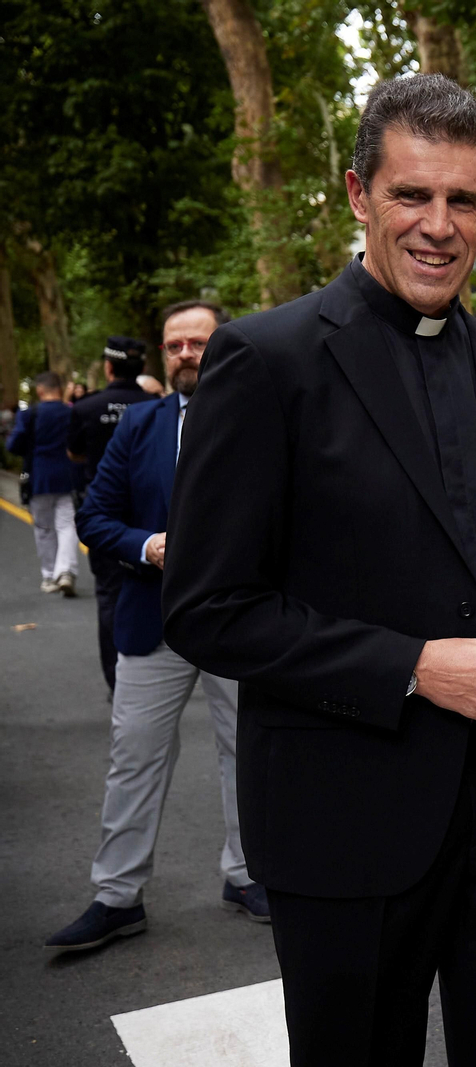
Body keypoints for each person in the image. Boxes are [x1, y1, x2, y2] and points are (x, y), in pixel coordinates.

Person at [160, 74, 476, 1066]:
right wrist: (412, 665)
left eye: (463, 199)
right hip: (344, 815)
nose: (439, 225)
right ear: (358, 195)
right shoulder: (266, 360)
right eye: (412, 195)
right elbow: (210, 607)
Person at [45, 301, 265, 953]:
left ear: (225, 344)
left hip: (240, 621)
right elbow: (96, 517)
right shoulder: (139, 424)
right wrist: (148, 547)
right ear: (162, 355)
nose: (187, 352)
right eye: (175, 344)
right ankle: (116, 896)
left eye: (200, 341)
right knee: (134, 756)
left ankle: (247, 874)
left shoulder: (264, 413)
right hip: (153, 619)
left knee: (246, 752)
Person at [70, 336, 162, 694]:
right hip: (154, 512)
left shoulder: (87, 407)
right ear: (142, 370)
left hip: (106, 513)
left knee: (109, 595)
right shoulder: (158, 406)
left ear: (108, 367)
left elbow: (74, 454)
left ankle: (118, 679)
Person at [7, 371, 80, 596]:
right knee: (67, 525)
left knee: (44, 528)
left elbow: (14, 444)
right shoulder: (71, 413)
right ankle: (65, 570)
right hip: (68, 476)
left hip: (38, 477)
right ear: (59, 389)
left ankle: (49, 575)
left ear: (40, 390)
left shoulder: (30, 414)